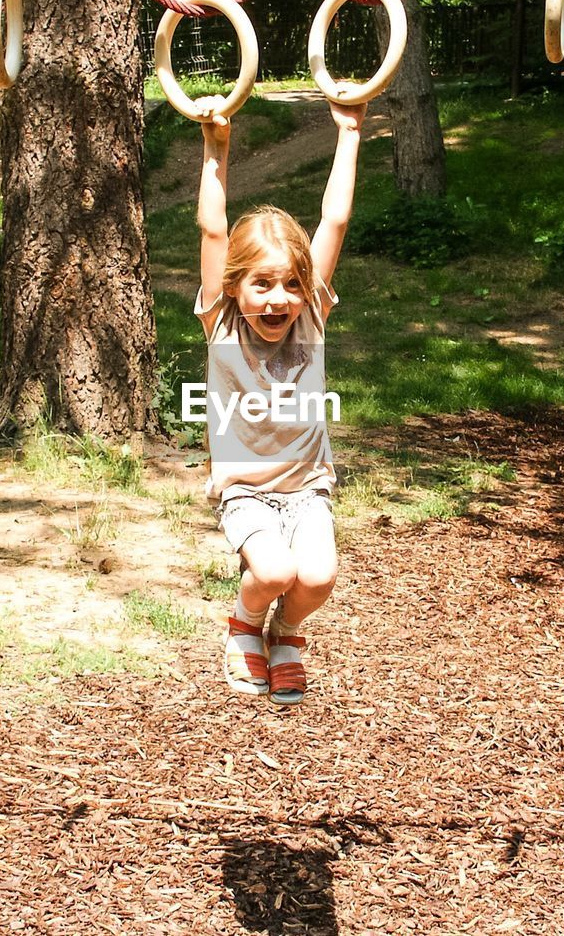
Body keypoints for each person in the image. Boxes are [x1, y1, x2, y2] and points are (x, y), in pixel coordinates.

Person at [193, 91, 365, 706]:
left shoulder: (310, 320)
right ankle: (244, 624)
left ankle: (285, 632)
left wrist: (348, 133)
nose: (278, 299)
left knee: (317, 579)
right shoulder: (222, 325)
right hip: (244, 488)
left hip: (306, 486)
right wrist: (217, 148)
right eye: (261, 284)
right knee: (271, 573)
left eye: (292, 285)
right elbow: (214, 227)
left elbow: (335, 222)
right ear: (235, 288)